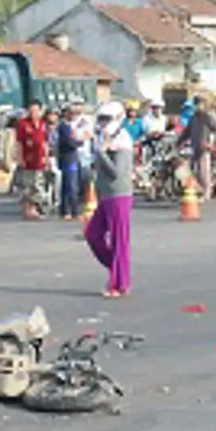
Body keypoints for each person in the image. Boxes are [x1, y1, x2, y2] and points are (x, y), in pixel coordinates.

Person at [85, 101, 136, 299]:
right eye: (101, 119)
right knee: (93, 234)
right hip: (105, 194)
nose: (102, 123)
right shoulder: (104, 138)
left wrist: (102, 153)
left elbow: (117, 172)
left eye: (106, 119)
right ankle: (119, 269)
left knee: (118, 240)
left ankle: (119, 283)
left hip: (119, 194)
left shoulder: (123, 140)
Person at [13, 100, 50, 219]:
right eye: (31, 110)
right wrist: (20, 158)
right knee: (28, 185)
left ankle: (36, 207)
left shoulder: (43, 124)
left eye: (36, 111)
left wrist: (47, 157)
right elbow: (19, 143)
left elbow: (45, 142)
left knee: (38, 184)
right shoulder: (23, 124)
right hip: (28, 159)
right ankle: (29, 209)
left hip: (40, 159)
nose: (34, 113)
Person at [184, 96, 216, 197]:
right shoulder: (193, 118)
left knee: (204, 171)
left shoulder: (207, 117)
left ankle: (206, 193)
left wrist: (213, 143)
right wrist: (178, 142)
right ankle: (200, 191)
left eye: (199, 104)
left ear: (203, 106)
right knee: (195, 171)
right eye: (195, 105)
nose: (197, 107)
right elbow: (186, 132)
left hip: (204, 148)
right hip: (194, 147)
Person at [56, 103, 83, 220]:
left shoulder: (70, 126)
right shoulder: (63, 127)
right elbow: (69, 142)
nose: (73, 115)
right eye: (71, 113)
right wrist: (79, 142)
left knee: (69, 184)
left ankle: (66, 210)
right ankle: (72, 211)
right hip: (68, 158)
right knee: (71, 185)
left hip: (73, 157)